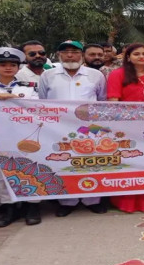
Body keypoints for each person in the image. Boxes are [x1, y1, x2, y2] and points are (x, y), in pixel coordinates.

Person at [38, 40, 108, 216]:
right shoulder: (48, 75)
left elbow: (102, 100)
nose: (70, 55)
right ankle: (67, 202)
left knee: (91, 163)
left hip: (88, 129)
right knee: (63, 162)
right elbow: (42, 100)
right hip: (58, 129)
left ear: (82, 55)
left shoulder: (95, 75)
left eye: (75, 52)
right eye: (65, 52)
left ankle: (93, 200)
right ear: (59, 55)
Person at [0, 48, 42, 226]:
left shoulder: (29, 88)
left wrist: (13, 98)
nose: (8, 68)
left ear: (18, 67)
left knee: (29, 171)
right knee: (3, 174)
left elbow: (35, 110)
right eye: (3, 65)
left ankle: (32, 207)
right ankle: (9, 209)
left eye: (12, 65)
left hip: (25, 135)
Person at [107, 43, 144, 213]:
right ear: (128, 57)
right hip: (127, 128)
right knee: (130, 164)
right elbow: (113, 102)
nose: (141, 57)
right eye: (136, 54)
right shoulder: (117, 74)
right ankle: (126, 202)